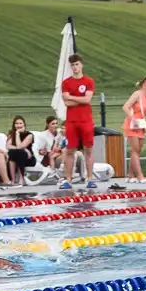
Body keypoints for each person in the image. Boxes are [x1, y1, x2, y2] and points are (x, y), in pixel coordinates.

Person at [60, 54, 97, 190]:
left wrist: (72, 97)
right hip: (72, 121)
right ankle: (68, 180)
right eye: (73, 65)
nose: (75, 67)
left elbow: (87, 100)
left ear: (81, 65)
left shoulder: (88, 81)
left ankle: (90, 179)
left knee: (88, 150)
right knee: (70, 150)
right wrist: (79, 99)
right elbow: (66, 102)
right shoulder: (66, 83)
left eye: (77, 64)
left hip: (86, 120)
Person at [121, 76, 146, 184]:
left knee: (137, 151)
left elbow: (142, 111)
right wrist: (132, 118)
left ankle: (130, 176)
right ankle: (140, 176)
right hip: (132, 124)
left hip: (141, 125)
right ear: (144, 85)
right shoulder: (137, 94)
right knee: (135, 150)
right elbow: (125, 106)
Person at [5, 115, 36, 186]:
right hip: (16, 156)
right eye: (17, 123)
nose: (19, 125)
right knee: (13, 152)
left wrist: (17, 134)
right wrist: (24, 149)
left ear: (24, 124)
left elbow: (20, 146)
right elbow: (8, 146)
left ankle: (21, 178)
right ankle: (13, 179)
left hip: (28, 159)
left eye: (20, 123)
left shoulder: (29, 135)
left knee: (19, 153)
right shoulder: (12, 134)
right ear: (14, 125)